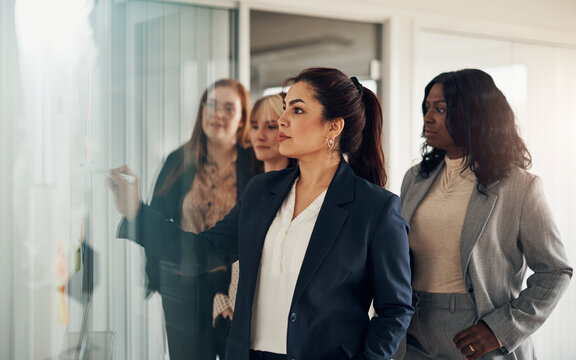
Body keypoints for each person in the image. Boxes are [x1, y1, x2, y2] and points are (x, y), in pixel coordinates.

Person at [109, 67, 413, 360]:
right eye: (285, 108)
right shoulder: (260, 192)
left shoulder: (375, 208)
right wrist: (137, 212)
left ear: (333, 126)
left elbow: (395, 309)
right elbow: (202, 251)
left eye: (297, 110)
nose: (281, 120)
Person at [399, 69, 572, 359]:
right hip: (414, 330)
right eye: (427, 107)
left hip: (478, 332)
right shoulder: (414, 178)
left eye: (440, 109)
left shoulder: (520, 186)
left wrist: (502, 329)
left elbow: (555, 271)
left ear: (473, 115)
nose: (428, 117)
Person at [113, 79, 254, 360]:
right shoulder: (177, 161)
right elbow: (159, 221)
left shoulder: (254, 165)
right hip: (181, 283)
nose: (217, 114)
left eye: (229, 108)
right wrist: (158, 276)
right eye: (211, 105)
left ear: (241, 120)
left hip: (234, 289)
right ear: (202, 111)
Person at [211, 92, 296, 359]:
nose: (259, 135)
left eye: (271, 127)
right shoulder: (251, 189)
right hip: (238, 326)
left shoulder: (299, 196)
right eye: (255, 126)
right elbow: (223, 248)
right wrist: (220, 300)